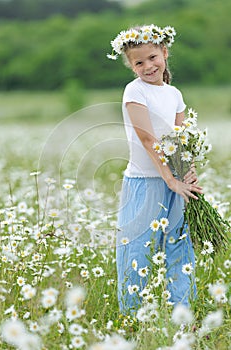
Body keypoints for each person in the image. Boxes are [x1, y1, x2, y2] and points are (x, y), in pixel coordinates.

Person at [107, 24, 203, 315]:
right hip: (144, 182)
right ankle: (135, 317)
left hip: (175, 182)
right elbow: (148, 139)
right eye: (139, 62)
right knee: (137, 248)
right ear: (131, 66)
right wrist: (169, 181)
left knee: (179, 246)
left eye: (152, 57)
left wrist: (187, 174)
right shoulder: (134, 91)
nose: (148, 66)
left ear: (164, 52)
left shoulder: (174, 93)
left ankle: (181, 314)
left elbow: (180, 139)